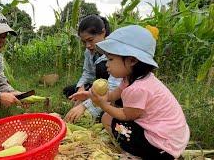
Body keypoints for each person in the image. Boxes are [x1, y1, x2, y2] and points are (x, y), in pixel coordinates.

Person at [70, 25, 190, 159]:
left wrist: (103, 105)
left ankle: (136, 153)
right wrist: (92, 96)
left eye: (110, 59)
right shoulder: (132, 78)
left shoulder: (139, 88)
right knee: (107, 117)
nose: (107, 64)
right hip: (165, 133)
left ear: (132, 60)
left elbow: (126, 115)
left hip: (163, 146)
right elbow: (113, 95)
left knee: (111, 119)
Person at [63, 14, 122, 123]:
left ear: (103, 32)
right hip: (100, 86)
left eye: (90, 40)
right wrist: (81, 87)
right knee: (69, 90)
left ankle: (108, 107)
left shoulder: (115, 53)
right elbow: (88, 74)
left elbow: (115, 86)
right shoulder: (89, 52)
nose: (88, 45)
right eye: (84, 42)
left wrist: (85, 106)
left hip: (115, 90)